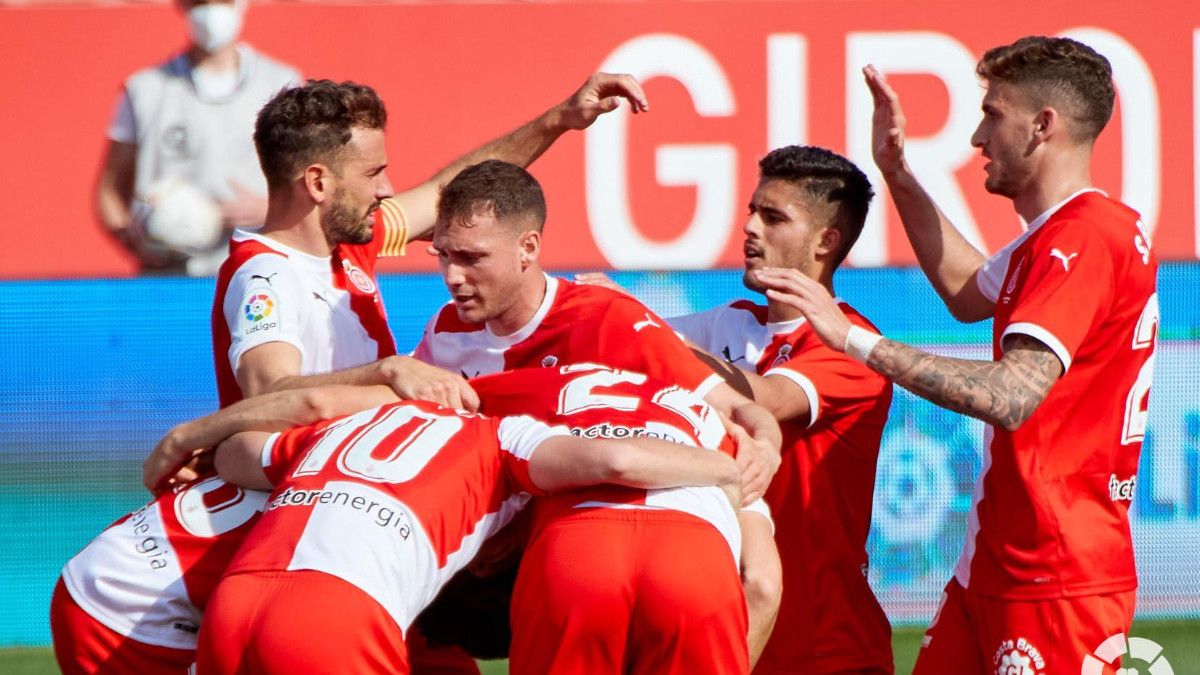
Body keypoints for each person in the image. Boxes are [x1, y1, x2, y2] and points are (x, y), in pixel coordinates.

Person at [758, 36, 1157, 674]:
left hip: (1053, 576)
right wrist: (895, 172)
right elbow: (968, 292)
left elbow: (1011, 395)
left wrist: (853, 339)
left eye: (993, 113)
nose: (976, 136)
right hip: (999, 561)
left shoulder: (1080, 239)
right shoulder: (1059, 236)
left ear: (1042, 127)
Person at [413, 159, 783, 665]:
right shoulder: (444, 333)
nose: (453, 277)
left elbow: (739, 410)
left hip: (572, 550)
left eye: (472, 258)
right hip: (546, 553)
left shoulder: (610, 320)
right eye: (443, 256)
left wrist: (766, 447)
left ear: (528, 248)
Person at [582, 145, 895, 673]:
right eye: (752, 210)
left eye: (772, 217)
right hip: (726, 628)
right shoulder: (731, 321)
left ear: (826, 240)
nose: (749, 227)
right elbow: (637, 347)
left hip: (823, 647)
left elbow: (763, 399)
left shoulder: (853, 346)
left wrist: (631, 318)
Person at [195, 393, 742, 674]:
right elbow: (616, 459)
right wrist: (721, 467)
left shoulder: (352, 424)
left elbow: (235, 454)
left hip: (234, 601)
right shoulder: (501, 435)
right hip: (338, 613)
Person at [213, 74, 649, 410]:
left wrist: (559, 119)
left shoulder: (351, 243)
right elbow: (268, 391)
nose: (386, 189)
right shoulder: (263, 274)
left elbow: (447, 191)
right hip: (294, 504)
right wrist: (391, 371)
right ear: (318, 182)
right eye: (372, 174)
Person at [60, 384, 405, 674]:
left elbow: (301, 407)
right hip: (129, 606)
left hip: (119, 564)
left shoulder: (352, 425)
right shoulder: (414, 433)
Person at [471, 364, 765, 675]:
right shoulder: (719, 422)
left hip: (575, 550)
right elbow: (763, 582)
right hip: (696, 555)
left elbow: (435, 395)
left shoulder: (524, 387)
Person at [96, 0, 300, 276]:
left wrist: (273, 209)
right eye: (200, 2)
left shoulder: (283, 85)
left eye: (222, 1)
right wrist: (137, 239)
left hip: (259, 272)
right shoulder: (144, 89)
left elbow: (310, 181)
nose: (211, 12)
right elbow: (108, 190)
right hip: (171, 278)